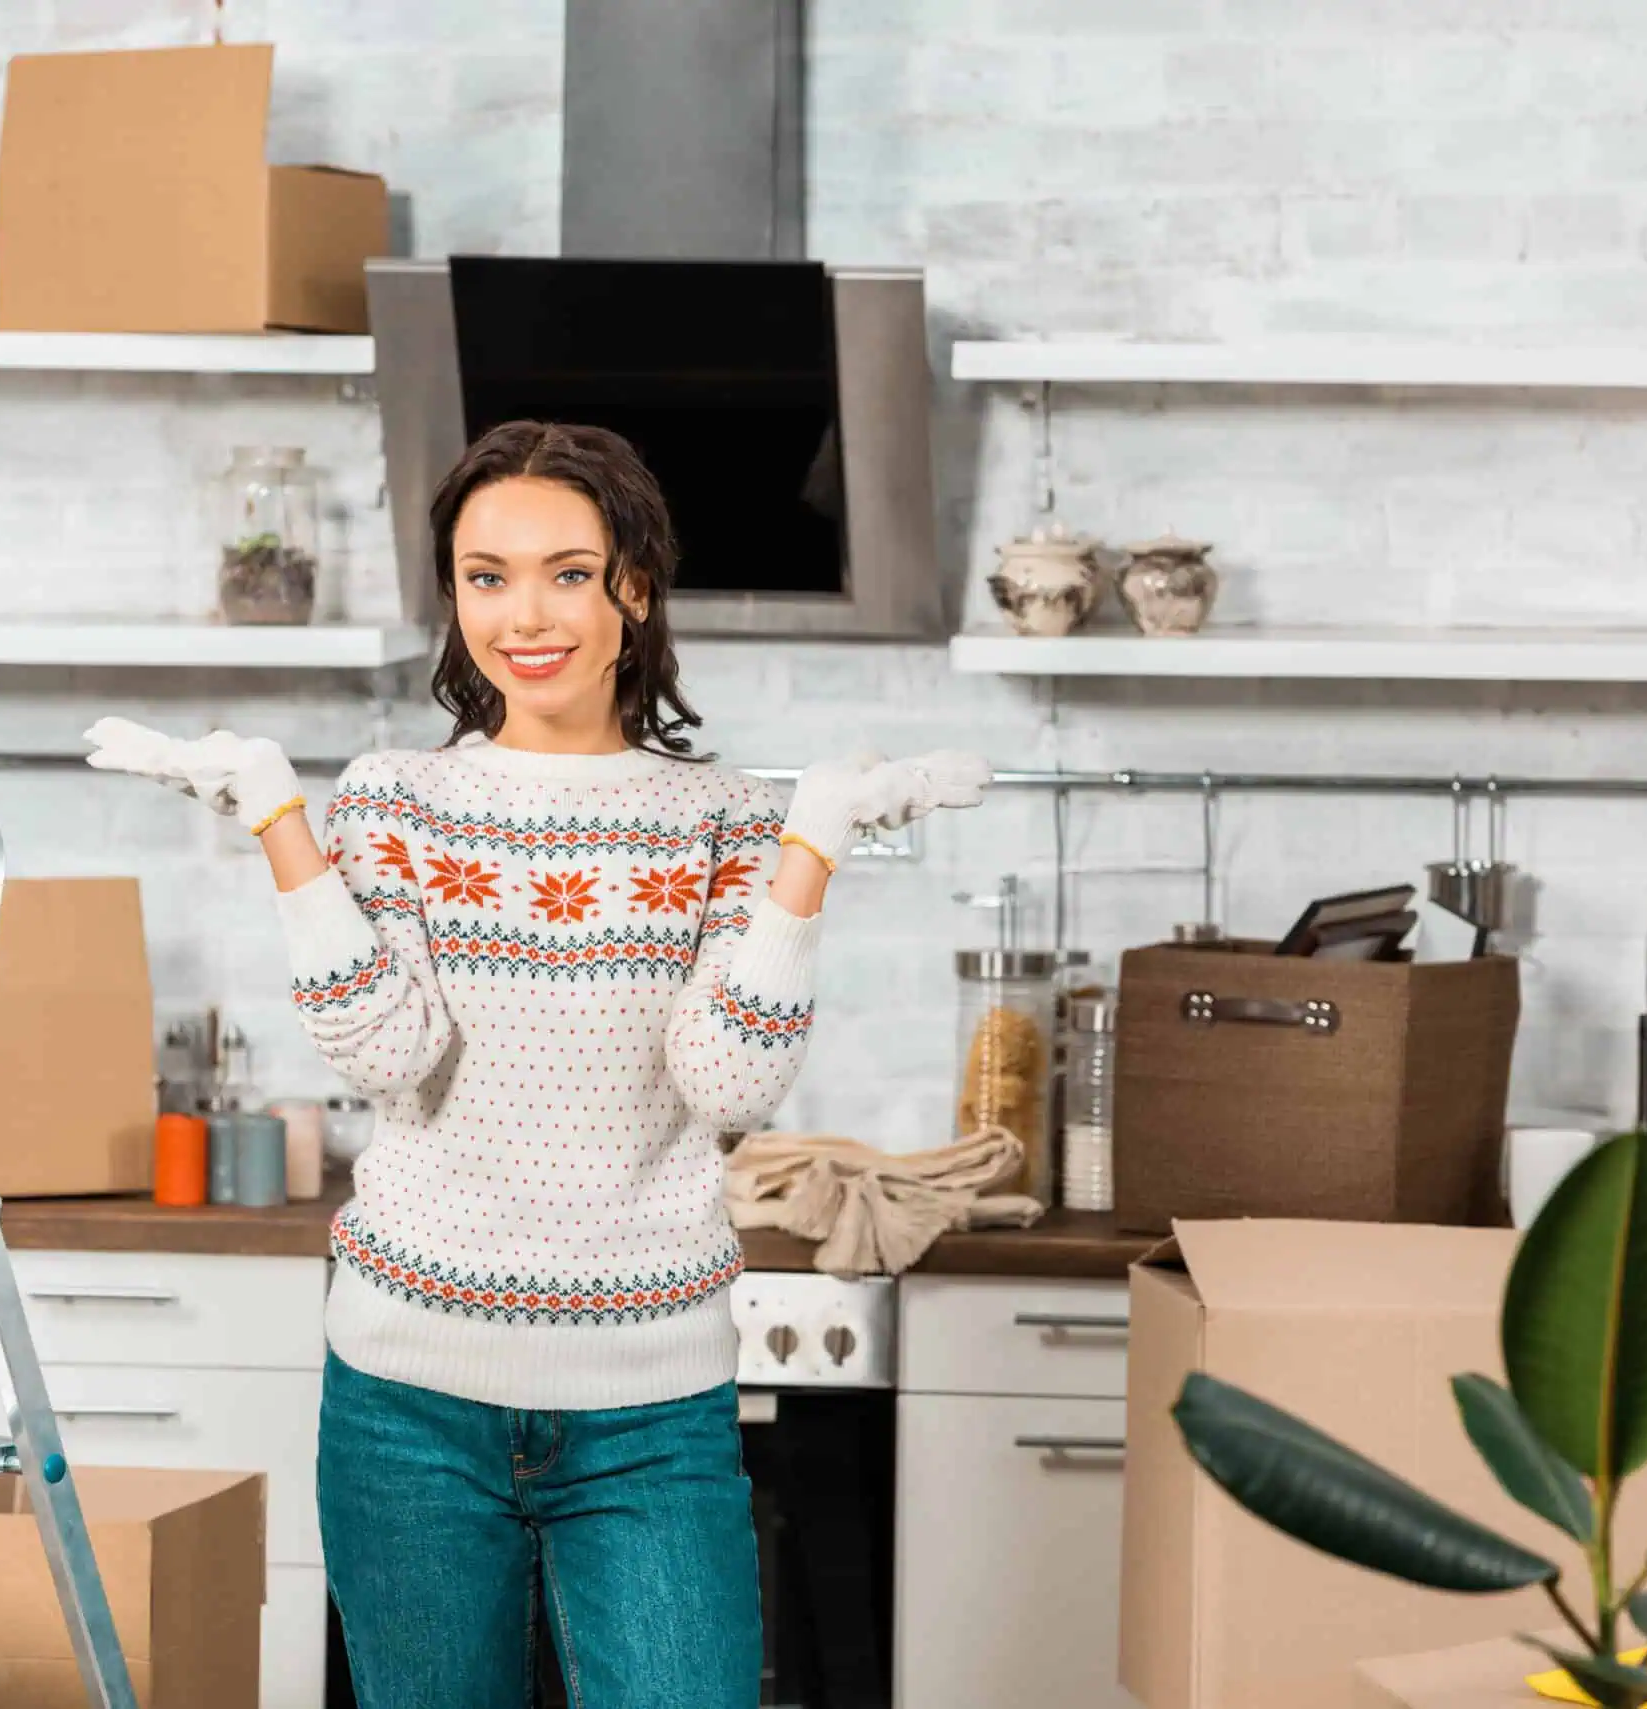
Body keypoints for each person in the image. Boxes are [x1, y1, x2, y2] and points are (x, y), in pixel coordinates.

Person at [85, 420, 987, 1709]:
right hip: (405, 1405)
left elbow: (729, 1084)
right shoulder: (393, 800)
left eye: (570, 570)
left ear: (636, 585)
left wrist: (809, 855)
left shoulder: (727, 821)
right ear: (452, 600)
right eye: (485, 575)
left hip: (653, 1412)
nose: (527, 614)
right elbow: (392, 1055)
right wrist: (285, 827)